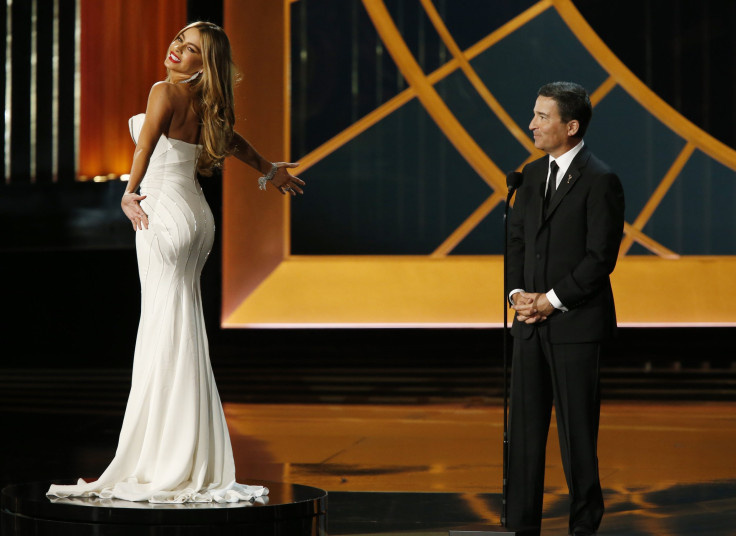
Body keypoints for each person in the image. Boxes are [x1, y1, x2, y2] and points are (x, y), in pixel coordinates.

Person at [47, 21, 304, 503]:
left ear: (203, 64)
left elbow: (144, 145)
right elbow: (235, 145)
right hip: (197, 217)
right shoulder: (209, 105)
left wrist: (129, 193)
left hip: (163, 211)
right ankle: (183, 452)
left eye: (189, 49)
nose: (175, 50)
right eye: (178, 42)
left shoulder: (163, 91)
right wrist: (269, 168)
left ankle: (163, 455)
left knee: (164, 328)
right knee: (180, 325)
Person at [506, 81, 624, 535]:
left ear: (571, 126)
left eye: (542, 116)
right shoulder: (530, 177)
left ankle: (582, 529)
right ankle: (521, 527)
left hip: (576, 327)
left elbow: (600, 260)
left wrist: (550, 302)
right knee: (525, 440)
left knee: (578, 441)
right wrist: (518, 296)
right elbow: (517, 242)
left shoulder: (600, 179)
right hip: (528, 327)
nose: (532, 124)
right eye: (533, 114)